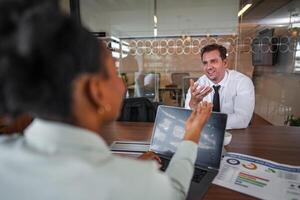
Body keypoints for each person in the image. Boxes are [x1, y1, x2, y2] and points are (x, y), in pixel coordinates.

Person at [0, 1, 213, 199]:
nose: (122, 85)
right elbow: (174, 191)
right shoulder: (139, 184)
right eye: (115, 74)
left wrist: (128, 169)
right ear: (95, 91)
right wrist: (192, 134)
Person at [185, 44, 255, 129]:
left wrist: (204, 119)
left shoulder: (242, 82)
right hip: (205, 134)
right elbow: (188, 119)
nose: (209, 67)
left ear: (225, 63)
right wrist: (193, 103)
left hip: (234, 136)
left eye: (213, 61)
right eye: (205, 63)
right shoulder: (197, 86)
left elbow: (242, 120)